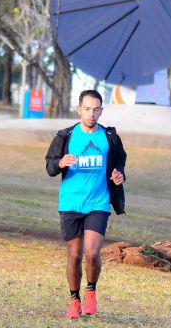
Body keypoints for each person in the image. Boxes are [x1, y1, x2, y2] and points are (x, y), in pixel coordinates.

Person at [45, 89, 127, 319]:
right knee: (74, 255)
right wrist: (61, 162)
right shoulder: (65, 136)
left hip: (98, 203)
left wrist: (119, 173)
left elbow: (120, 161)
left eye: (96, 109)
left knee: (91, 253)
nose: (92, 114)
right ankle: (74, 300)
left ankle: (91, 291)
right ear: (79, 109)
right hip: (71, 202)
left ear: (101, 110)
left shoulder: (110, 137)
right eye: (87, 109)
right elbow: (49, 166)